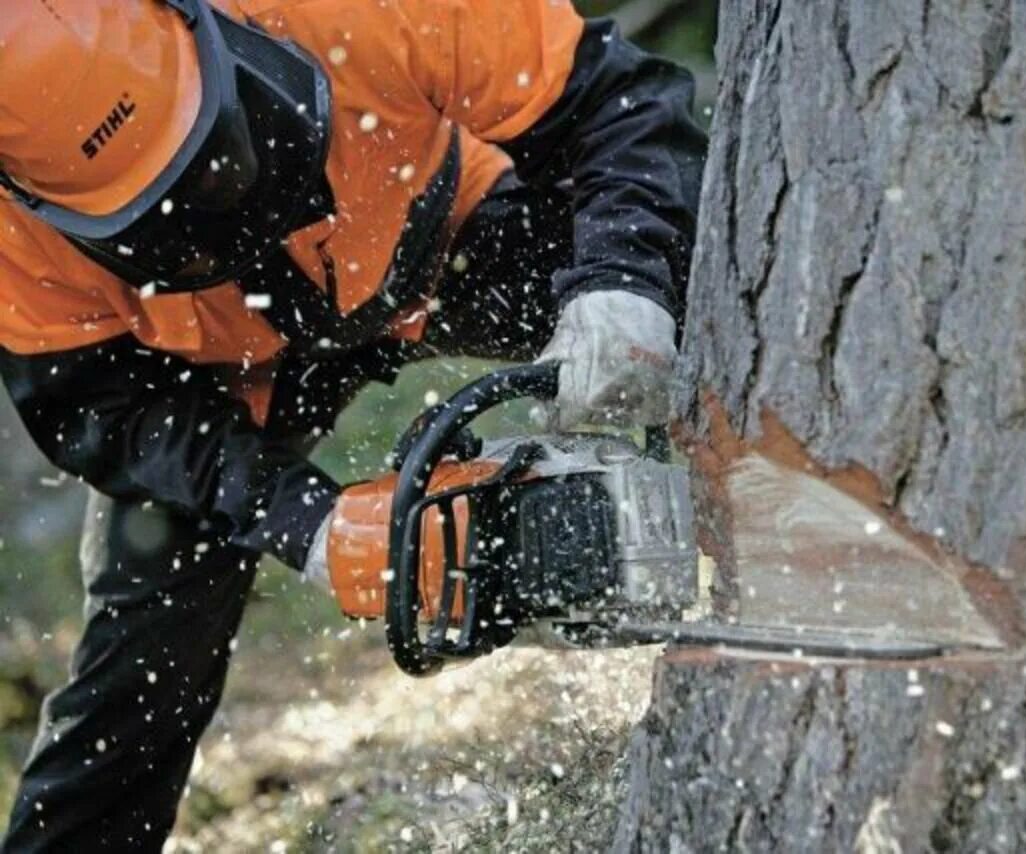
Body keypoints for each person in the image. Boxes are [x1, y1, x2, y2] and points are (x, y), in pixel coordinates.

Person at [0, 0, 705, 848]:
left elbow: (616, 103)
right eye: (164, 211)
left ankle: (775, 526)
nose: (213, 211)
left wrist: (621, 278)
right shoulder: (12, 237)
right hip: (228, 379)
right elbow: (102, 405)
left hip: (443, 232)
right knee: (140, 672)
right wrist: (306, 522)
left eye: (208, 159)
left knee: (697, 281)